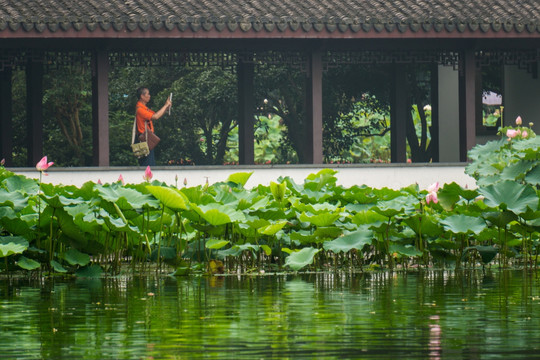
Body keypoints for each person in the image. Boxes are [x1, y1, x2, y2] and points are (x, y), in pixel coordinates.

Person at [135, 87, 172, 166]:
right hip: (144, 141)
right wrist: (165, 105)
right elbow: (155, 117)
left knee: (149, 164)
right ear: (142, 96)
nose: (149, 96)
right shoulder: (140, 110)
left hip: (147, 140)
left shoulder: (144, 108)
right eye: (148, 94)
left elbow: (156, 114)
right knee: (148, 166)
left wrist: (166, 108)